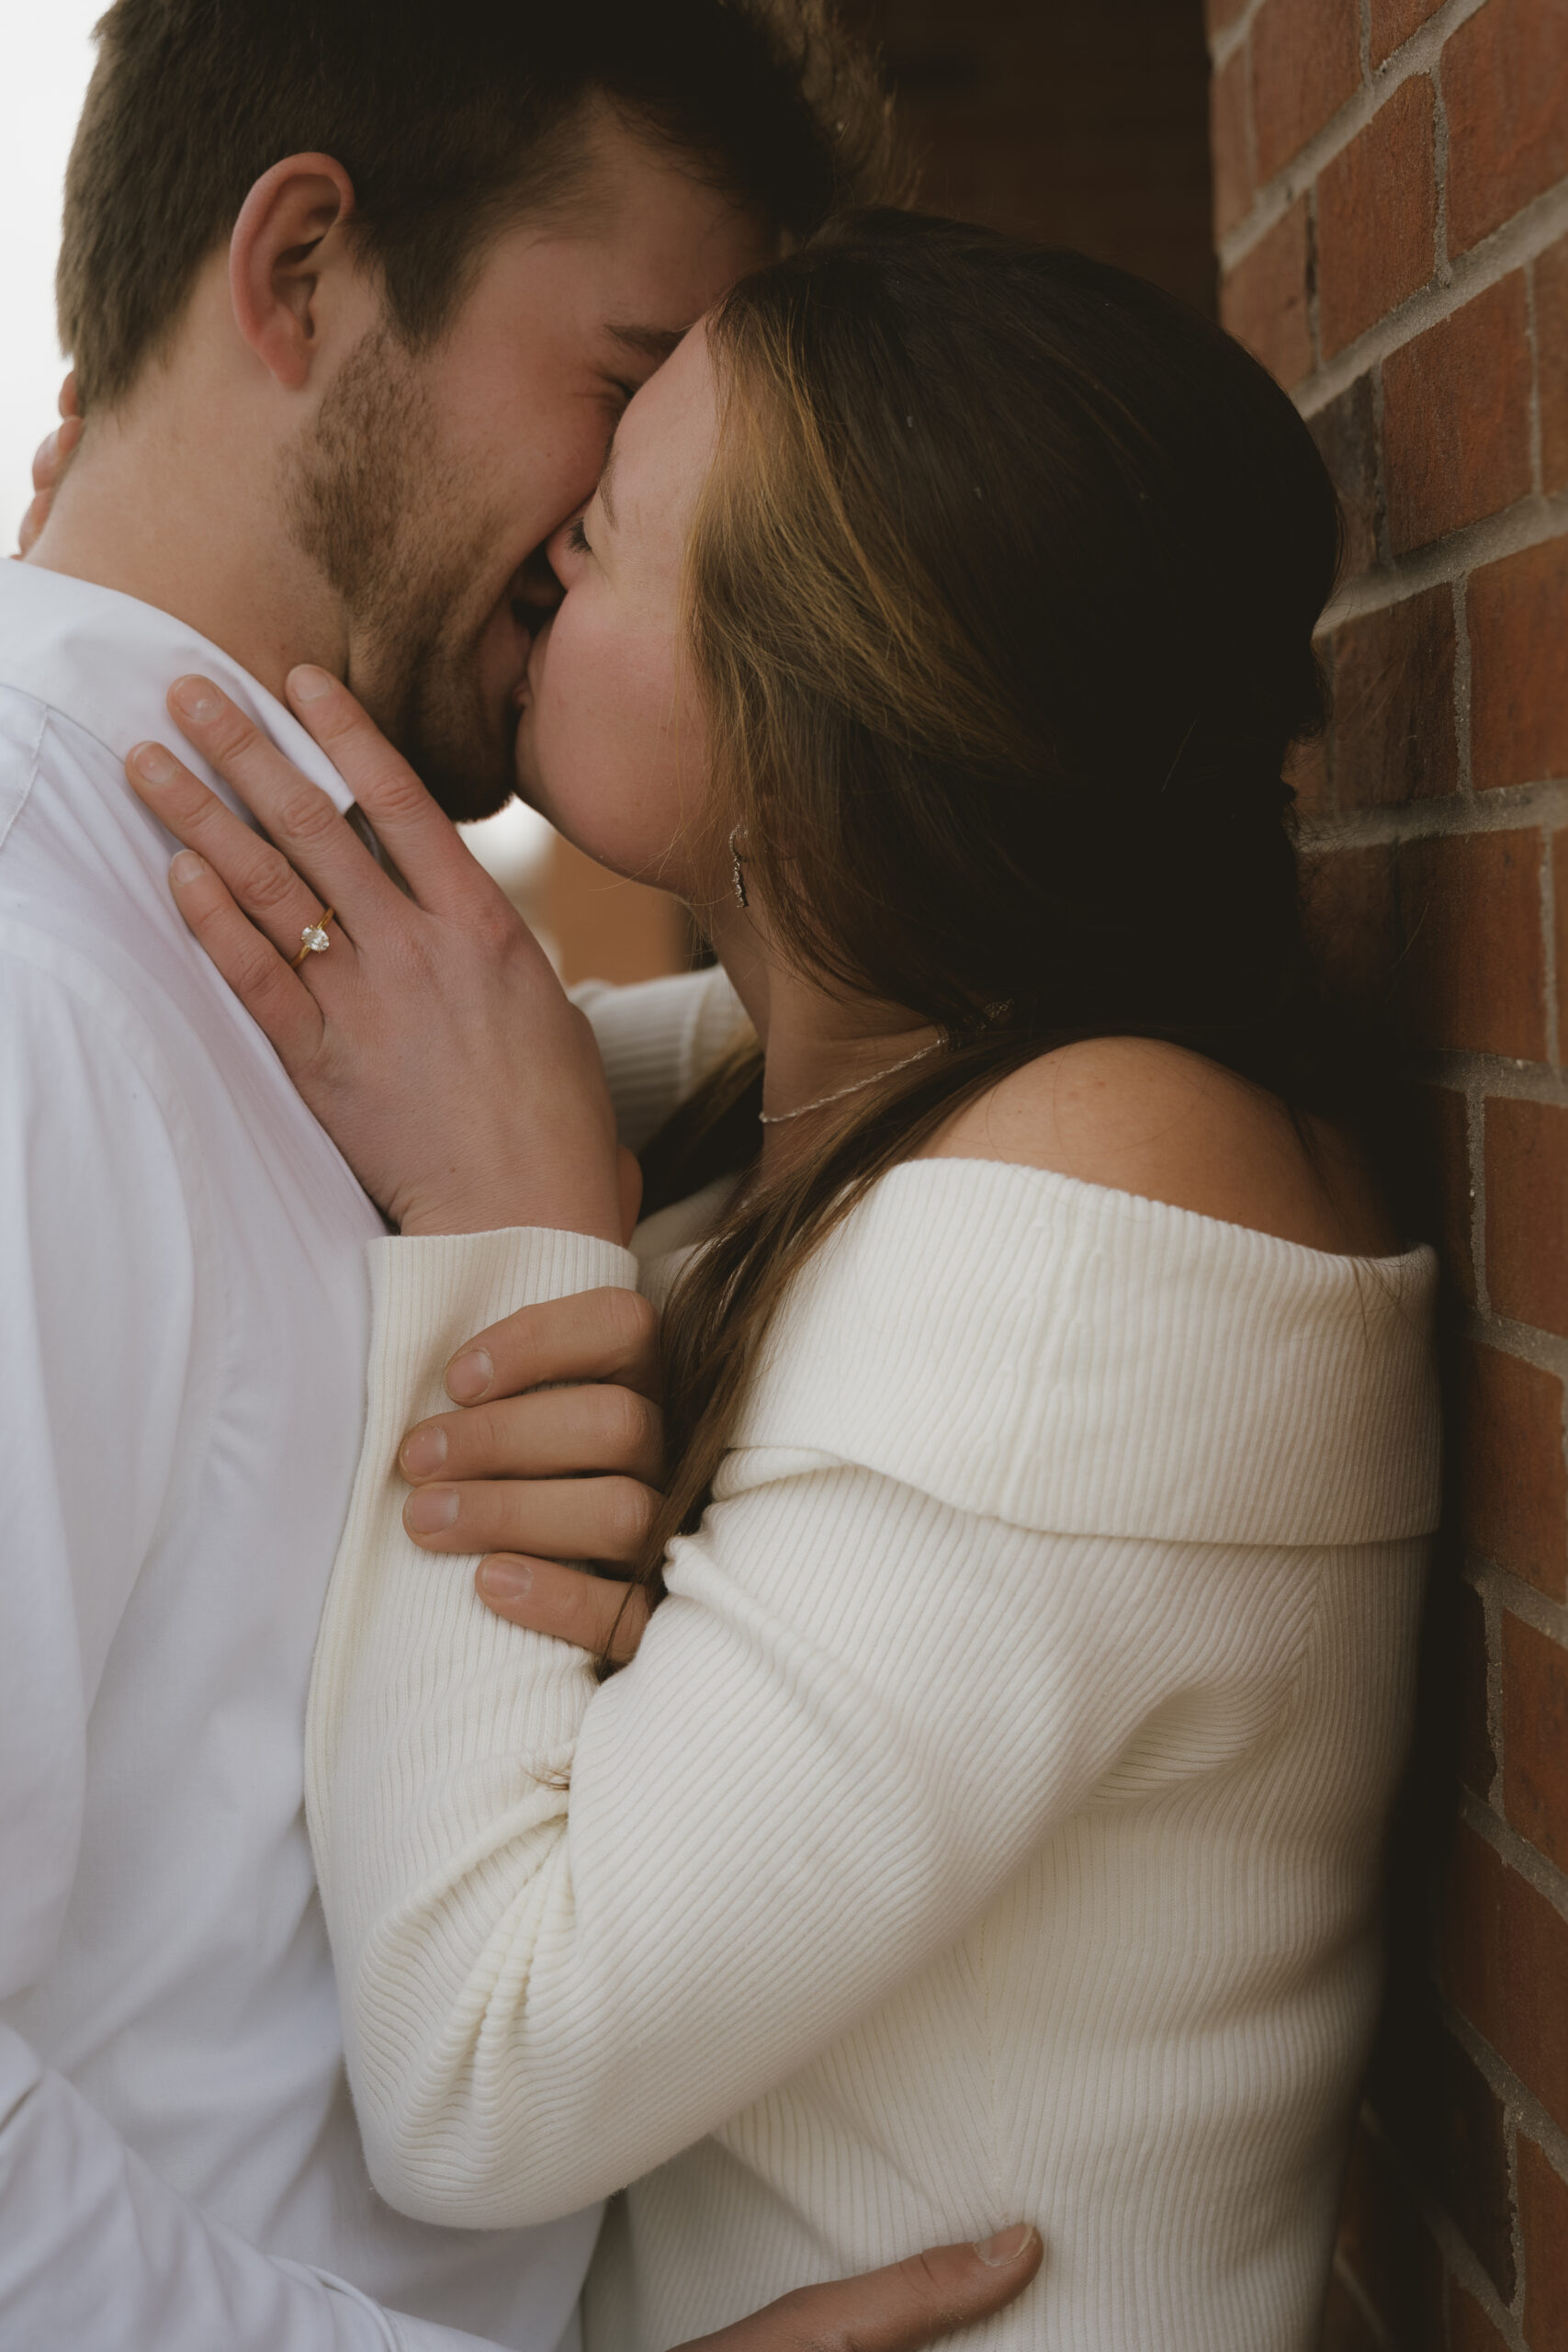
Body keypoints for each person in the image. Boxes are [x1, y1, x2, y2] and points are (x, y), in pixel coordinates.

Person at [130, 213, 1443, 2349]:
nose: (553, 548)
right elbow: (426, 1054)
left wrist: (510, 1236)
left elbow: (483, 2075)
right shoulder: (849, 1095)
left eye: (621, 532)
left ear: (813, 702)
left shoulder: (1092, 1215)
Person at [1, 5, 1043, 2346]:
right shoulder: (34, 991)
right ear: (299, 274)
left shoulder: (301, 968)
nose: (608, 537)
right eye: (623, 374)